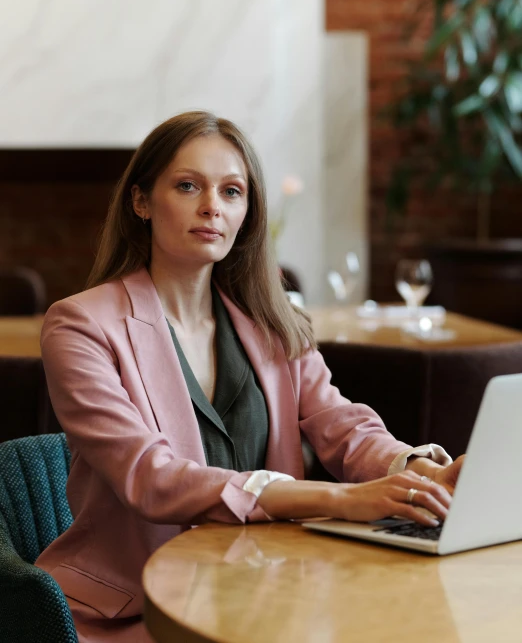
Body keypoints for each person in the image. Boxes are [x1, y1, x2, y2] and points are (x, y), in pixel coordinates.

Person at [36, 111, 463, 643]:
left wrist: (414, 468)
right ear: (141, 201)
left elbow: (341, 424)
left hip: (269, 588)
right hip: (132, 611)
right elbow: (149, 476)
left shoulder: (271, 320)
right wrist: (337, 499)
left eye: (232, 191)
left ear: (246, 213)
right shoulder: (80, 324)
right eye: (188, 185)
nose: (212, 206)